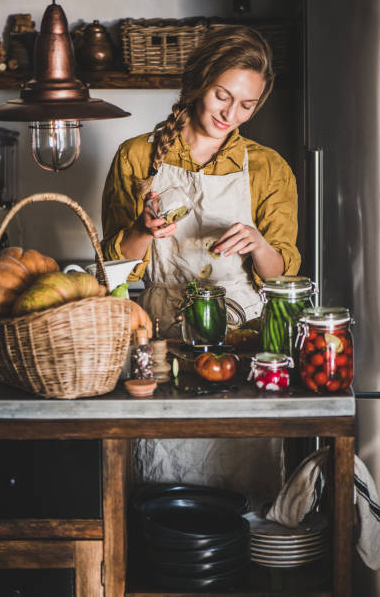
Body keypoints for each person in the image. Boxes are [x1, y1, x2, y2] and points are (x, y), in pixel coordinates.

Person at [101, 26, 301, 507]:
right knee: (162, 481)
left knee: (244, 483)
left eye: (247, 105)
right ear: (198, 83)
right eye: (222, 96)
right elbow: (110, 273)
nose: (231, 115)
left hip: (244, 346)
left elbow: (284, 279)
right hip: (162, 344)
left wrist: (257, 243)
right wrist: (145, 230)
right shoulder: (137, 156)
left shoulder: (268, 167)